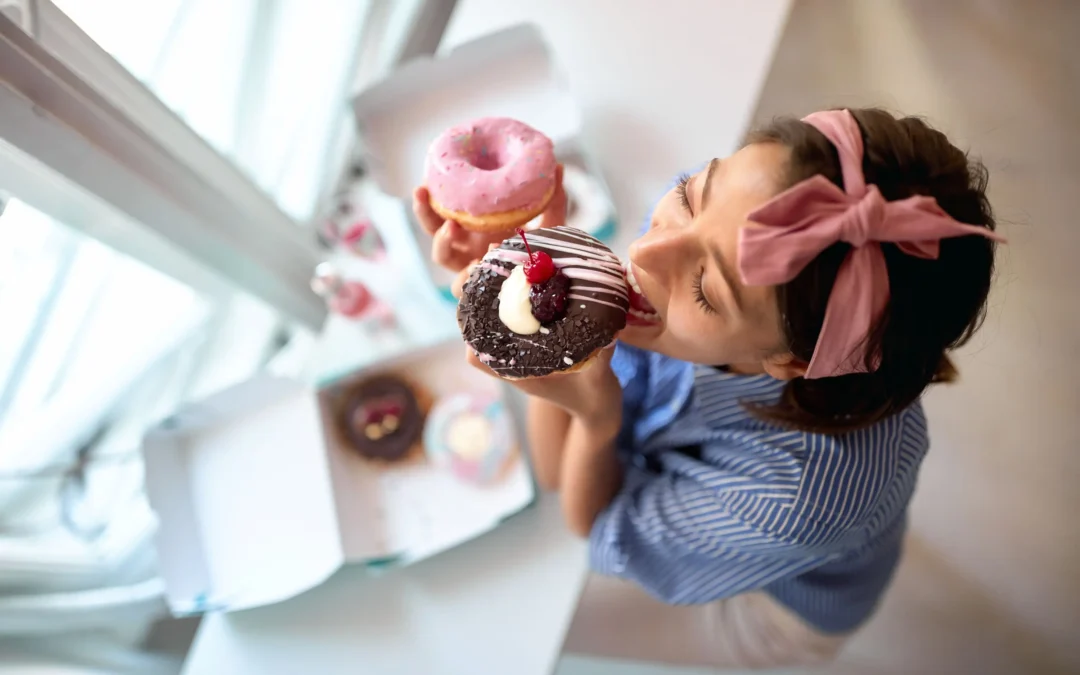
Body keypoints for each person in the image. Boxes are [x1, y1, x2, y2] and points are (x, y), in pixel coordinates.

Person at [413, 108, 1003, 668]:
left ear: (792, 363)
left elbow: (588, 514)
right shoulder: (720, 236)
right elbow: (557, 467)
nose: (645, 250)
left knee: (523, 637)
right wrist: (536, 263)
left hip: (772, 614)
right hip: (732, 497)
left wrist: (594, 416)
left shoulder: (797, 500)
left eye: (705, 290)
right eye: (694, 195)